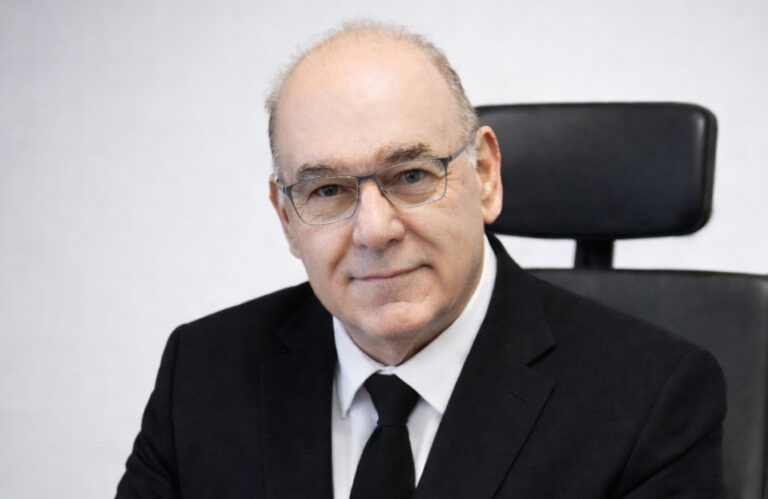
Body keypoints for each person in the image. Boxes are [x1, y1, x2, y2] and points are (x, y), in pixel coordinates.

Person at [116, 22, 726, 499]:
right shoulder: (201, 375)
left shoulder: (651, 399)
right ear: (287, 218)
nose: (374, 230)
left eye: (410, 175)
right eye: (327, 190)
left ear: (484, 176)